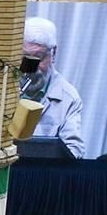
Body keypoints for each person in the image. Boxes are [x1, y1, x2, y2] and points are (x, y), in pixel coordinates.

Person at [20, 15, 86, 157]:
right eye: (25, 57)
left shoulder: (69, 98)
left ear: (53, 54)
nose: (31, 67)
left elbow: (74, 150)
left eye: (38, 58)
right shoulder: (2, 87)